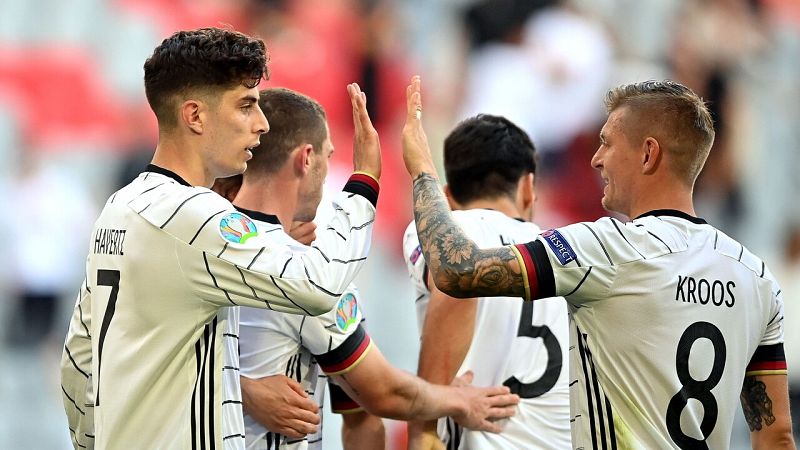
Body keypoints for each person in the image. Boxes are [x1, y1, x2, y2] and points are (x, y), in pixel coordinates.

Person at [400, 77, 795, 449]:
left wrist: (421, 169)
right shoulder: (755, 277)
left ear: (647, 153)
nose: (595, 159)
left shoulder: (606, 248)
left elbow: (457, 269)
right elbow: (776, 436)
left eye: (606, 142)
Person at [59, 27, 383, 450]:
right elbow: (318, 283)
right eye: (245, 105)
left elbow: (80, 360)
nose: (262, 124)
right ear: (195, 116)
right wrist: (363, 183)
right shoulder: (192, 214)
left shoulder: (120, 207)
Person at [213, 88, 521, 450]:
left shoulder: (190, 241)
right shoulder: (311, 274)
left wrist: (233, 385)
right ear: (306, 159)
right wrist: (458, 400)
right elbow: (378, 395)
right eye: (329, 157)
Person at [402, 114, 571, 450]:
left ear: (446, 198)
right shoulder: (566, 250)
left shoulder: (447, 229)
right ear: (528, 187)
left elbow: (457, 287)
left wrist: (424, 427)